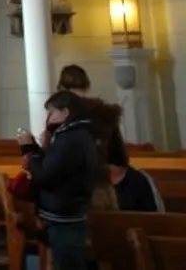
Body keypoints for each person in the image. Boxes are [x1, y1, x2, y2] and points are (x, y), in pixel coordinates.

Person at [18, 91, 98, 270]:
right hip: (65, 212)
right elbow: (51, 166)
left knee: (68, 264)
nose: (48, 117)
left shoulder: (71, 139)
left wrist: (29, 150)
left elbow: (45, 175)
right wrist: (35, 148)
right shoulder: (72, 135)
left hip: (65, 217)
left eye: (52, 112)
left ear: (65, 113)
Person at [45, 64, 126, 210]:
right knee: (109, 231)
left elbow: (49, 159)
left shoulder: (58, 116)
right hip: (100, 188)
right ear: (87, 86)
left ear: (61, 89)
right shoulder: (105, 115)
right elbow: (119, 158)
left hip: (67, 194)